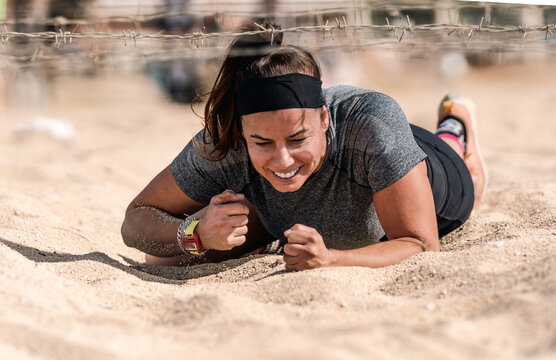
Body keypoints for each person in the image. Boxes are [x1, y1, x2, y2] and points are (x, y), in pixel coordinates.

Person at [121, 23, 487, 271]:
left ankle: (455, 126)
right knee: (167, 259)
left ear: (324, 119)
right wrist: (194, 235)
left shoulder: (372, 124)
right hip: (322, 196)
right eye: (261, 142)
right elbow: (136, 219)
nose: (282, 159)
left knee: (463, 170)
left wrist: (332, 259)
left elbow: (421, 245)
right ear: (243, 133)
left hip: (434, 183)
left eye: (298, 139)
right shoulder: (225, 141)